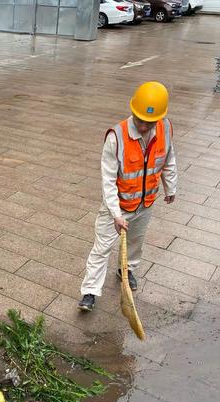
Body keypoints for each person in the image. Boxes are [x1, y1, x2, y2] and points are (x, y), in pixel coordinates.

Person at [78, 81, 177, 312]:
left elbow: (169, 159)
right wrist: (115, 213)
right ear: (133, 110)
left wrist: (170, 187)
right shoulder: (117, 137)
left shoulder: (165, 129)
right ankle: (90, 292)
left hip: (145, 203)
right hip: (119, 205)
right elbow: (108, 180)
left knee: (135, 242)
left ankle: (126, 270)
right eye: (140, 120)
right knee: (102, 247)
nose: (143, 127)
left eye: (149, 122)